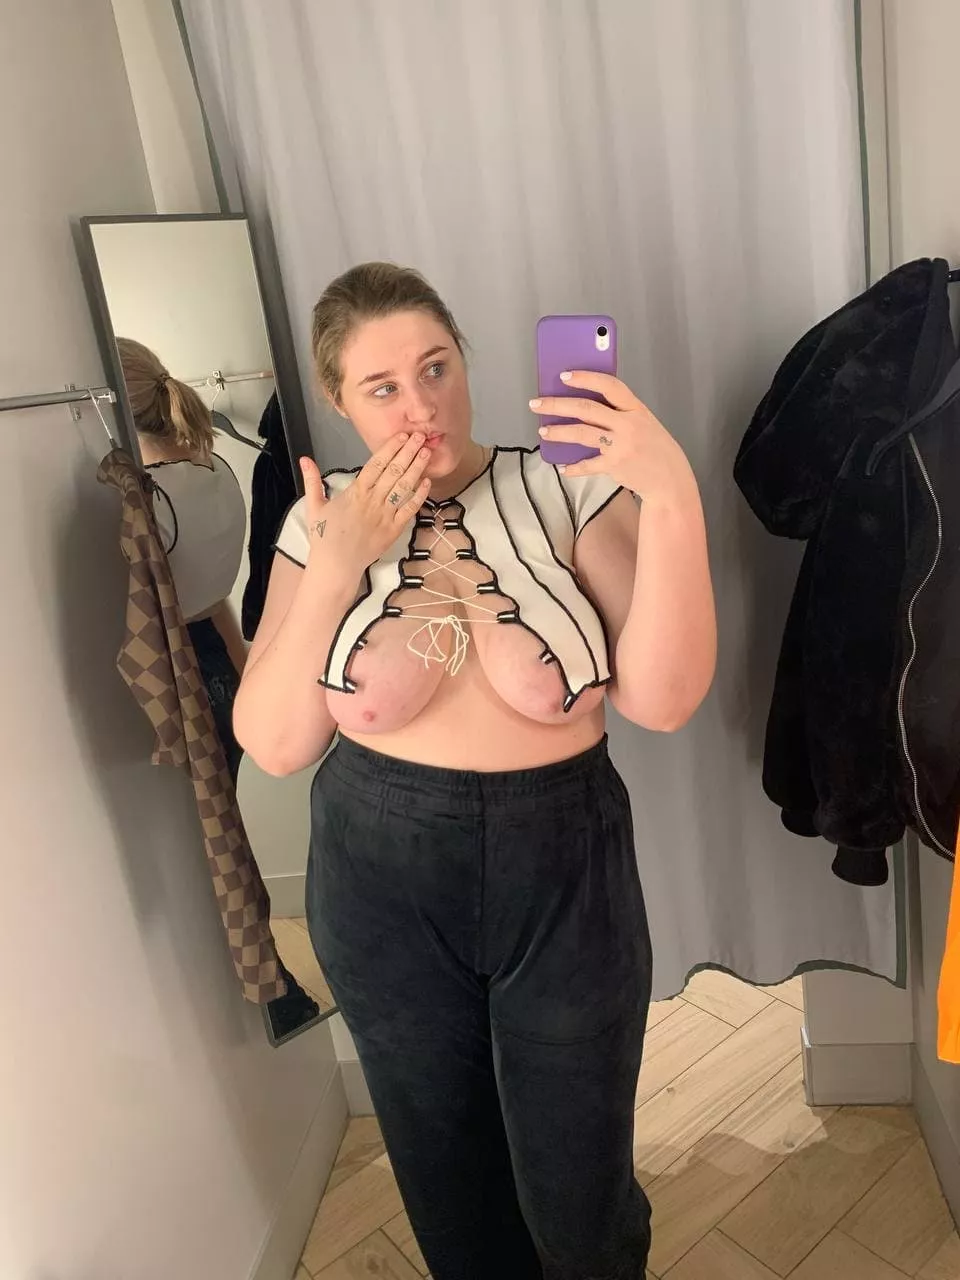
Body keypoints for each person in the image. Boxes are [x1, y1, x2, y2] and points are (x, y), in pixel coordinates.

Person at [234, 263, 716, 1278]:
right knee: (449, 1187)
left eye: (436, 367)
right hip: (379, 874)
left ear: (463, 357)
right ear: (337, 400)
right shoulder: (320, 519)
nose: (422, 407)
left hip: (564, 864)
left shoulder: (570, 486)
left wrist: (671, 490)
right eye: (383, 387)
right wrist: (337, 564)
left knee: (581, 1202)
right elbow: (275, 743)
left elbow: (664, 698)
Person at [117, 337, 249, 780]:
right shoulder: (218, 468)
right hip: (223, 657)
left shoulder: (149, 500)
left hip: (178, 670)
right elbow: (214, 600)